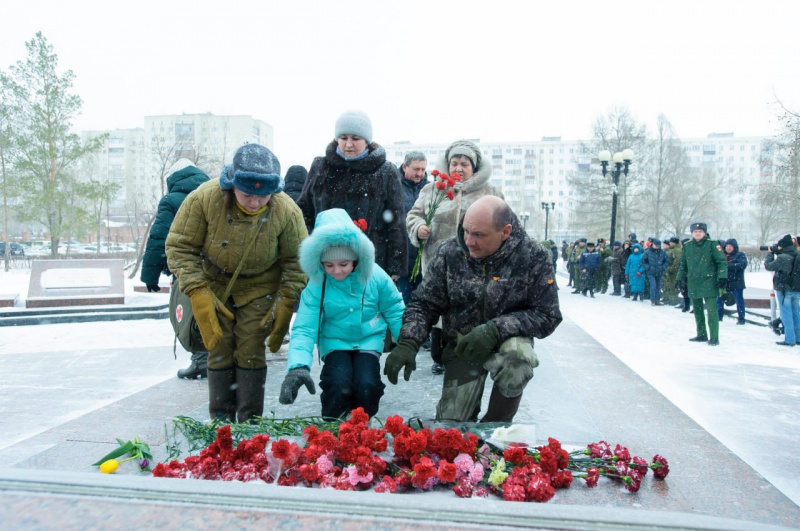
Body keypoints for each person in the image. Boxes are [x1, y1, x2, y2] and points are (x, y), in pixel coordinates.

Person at [385, 196, 562, 423]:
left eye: (478, 234)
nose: (468, 241)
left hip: (508, 341)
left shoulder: (532, 256)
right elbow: (424, 303)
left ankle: (495, 426)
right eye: (466, 231)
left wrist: (494, 330)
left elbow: (548, 314)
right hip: (463, 344)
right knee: (450, 428)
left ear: (505, 232)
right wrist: (409, 341)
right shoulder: (450, 253)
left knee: (518, 359)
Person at [166, 143, 308, 423]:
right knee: (218, 346)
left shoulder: (287, 211)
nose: (255, 203)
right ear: (232, 185)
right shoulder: (204, 199)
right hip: (214, 284)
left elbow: (298, 259)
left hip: (260, 287)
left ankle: (250, 421)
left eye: (263, 196)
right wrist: (197, 290)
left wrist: (286, 299)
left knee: (251, 347)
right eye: (246, 195)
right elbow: (180, 246)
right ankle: (221, 420)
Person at [278, 208, 405, 418]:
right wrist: (297, 367)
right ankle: (332, 425)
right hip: (334, 341)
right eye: (329, 265)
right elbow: (304, 328)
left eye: (343, 264)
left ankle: (362, 423)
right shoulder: (317, 286)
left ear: (356, 258)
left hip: (368, 340)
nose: (337, 271)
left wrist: (405, 343)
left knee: (367, 384)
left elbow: (394, 309)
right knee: (338, 382)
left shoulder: (375, 276)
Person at [406, 139, 503, 375]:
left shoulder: (490, 192)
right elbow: (414, 215)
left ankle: (476, 352)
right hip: (438, 263)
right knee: (440, 307)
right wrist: (418, 228)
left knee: (472, 307)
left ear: (474, 167)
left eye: (464, 164)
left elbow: (504, 224)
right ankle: (440, 356)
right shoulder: (432, 189)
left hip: (477, 264)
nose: (458, 169)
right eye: (454, 163)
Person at [297, 110, 407, 281]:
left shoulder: (385, 171)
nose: (348, 144)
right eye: (343, 138)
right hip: (326, 263)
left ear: (367, 141)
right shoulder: (321, 166)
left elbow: (396, 220)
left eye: (355, 138)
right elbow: (304, 212)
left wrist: (395, 265)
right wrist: (312, 250)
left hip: (370, 263)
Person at [140, 158, 210, 379]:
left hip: (187, 267)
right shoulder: (213, 196)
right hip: (217, 266)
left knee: (192, 314)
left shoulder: (171, 200)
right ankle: (219, 360)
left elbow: (159, 237)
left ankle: (201, 361)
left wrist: (150, 275)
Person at [676, 222, 727, 346]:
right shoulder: (687, 246)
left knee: (711, 310)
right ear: (692, 233)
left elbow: (721, 262)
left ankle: (714, 337)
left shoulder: (712, 244)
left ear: (704, 232)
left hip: (709, 281)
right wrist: (679, 278)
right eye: (695, 232)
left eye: (700, 231)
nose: (697, 233)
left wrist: (722, 277)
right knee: (697, 310)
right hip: (693, 281)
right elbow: (683, 263)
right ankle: (702, 334)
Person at [396, 151, 428, 305]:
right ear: (405, 167)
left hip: (424, 261)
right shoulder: (394, 186)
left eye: (423, 170)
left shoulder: (430, 189)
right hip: (403, 263)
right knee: (406, 307)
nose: (420, 174)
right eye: (416, 169)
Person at [764, 234, 799, 346]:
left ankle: (790, 340)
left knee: (786, 315)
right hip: (796, 289)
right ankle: (798, 337)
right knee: (796, 314)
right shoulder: (797, 255)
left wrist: (770, 253)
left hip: (784, 290)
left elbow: (769, 266)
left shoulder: (783, 257)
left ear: (783, 246)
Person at [717, 238, 747, 325]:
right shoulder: (722, 255)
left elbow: (742, 265)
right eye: (726, 246)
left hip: (736, 283)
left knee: (739, 301)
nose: (728, 248)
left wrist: (728, 265)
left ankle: (741, 318)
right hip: (724, 282)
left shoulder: (740, 255)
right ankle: (719, 317)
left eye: (730, 246)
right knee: (719, 300)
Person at [641, 238, 669, 306]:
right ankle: (653, 300)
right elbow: (643, 261)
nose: (657, 247)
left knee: (658, 286)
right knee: (653, 286)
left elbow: (667, 261)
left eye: (658, 246)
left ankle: (657, 300)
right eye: (656, 245)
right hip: (651, 272)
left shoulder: (662, 252)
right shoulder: (647, 252)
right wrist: (648, 268)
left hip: (659, 272)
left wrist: (663, 267)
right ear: (652, 244)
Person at [663, 237, 682, 306]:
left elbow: (677, 261)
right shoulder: (673, 250)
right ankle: (670, 299)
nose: (669, 243)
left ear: (674, 243)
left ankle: (674, 300)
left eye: (671, 242)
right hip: (671, 270)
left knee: (673, 285)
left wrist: (671, 269)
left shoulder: (676, 250)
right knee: (669, 285)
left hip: (674, 271)